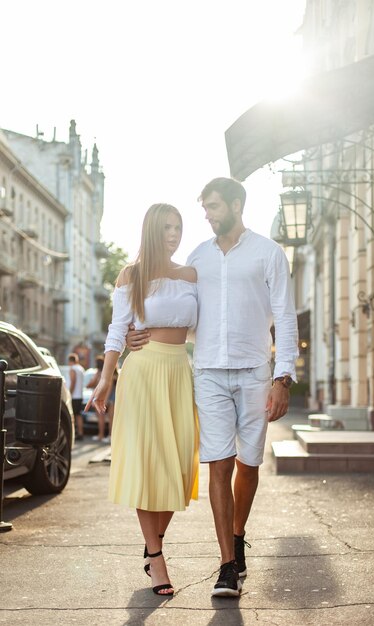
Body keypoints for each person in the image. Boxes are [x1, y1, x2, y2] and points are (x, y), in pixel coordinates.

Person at [126, 178, 298, 597]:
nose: (207, 215)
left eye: (214, 207)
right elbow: (173, 305)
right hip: (206, 371)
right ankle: (226, 565)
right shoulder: (197, 257)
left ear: (237, 205)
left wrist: (283, 377)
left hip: (255, 369)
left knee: (249, 463)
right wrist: (138, 331)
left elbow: (286, 315)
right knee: (218, 463)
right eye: (205, 208)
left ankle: (238, 537)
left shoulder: (268, 253)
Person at [85, 203, 199, 597]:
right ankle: (157, 556)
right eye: (167, 227)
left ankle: (154, 543)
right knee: (148, 465)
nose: (174, 234)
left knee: (179, 465)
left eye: (178, 227)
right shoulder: (130, 275)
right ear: (152, 230)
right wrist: (104, 378)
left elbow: (203, 325)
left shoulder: (190, 274)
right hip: (143, 372)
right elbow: (118, 330)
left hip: (178, 372)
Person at [87, 355, 112, 443]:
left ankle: (101, 435)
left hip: (100, 398)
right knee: (106, 417)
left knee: (101, 417)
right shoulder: (104, 372)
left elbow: (92, 383)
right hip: (104, 397)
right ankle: (105, 435)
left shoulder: (99, 373)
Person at [68, 352, 85, 441]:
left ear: (70, 361)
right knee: (78, 415)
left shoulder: (73, 369)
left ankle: (73, 433)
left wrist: (69, 393)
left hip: (74, 396)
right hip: (80, 395)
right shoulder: (81, 368)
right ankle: (80, 432)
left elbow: (73, 382)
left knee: (72, 415)